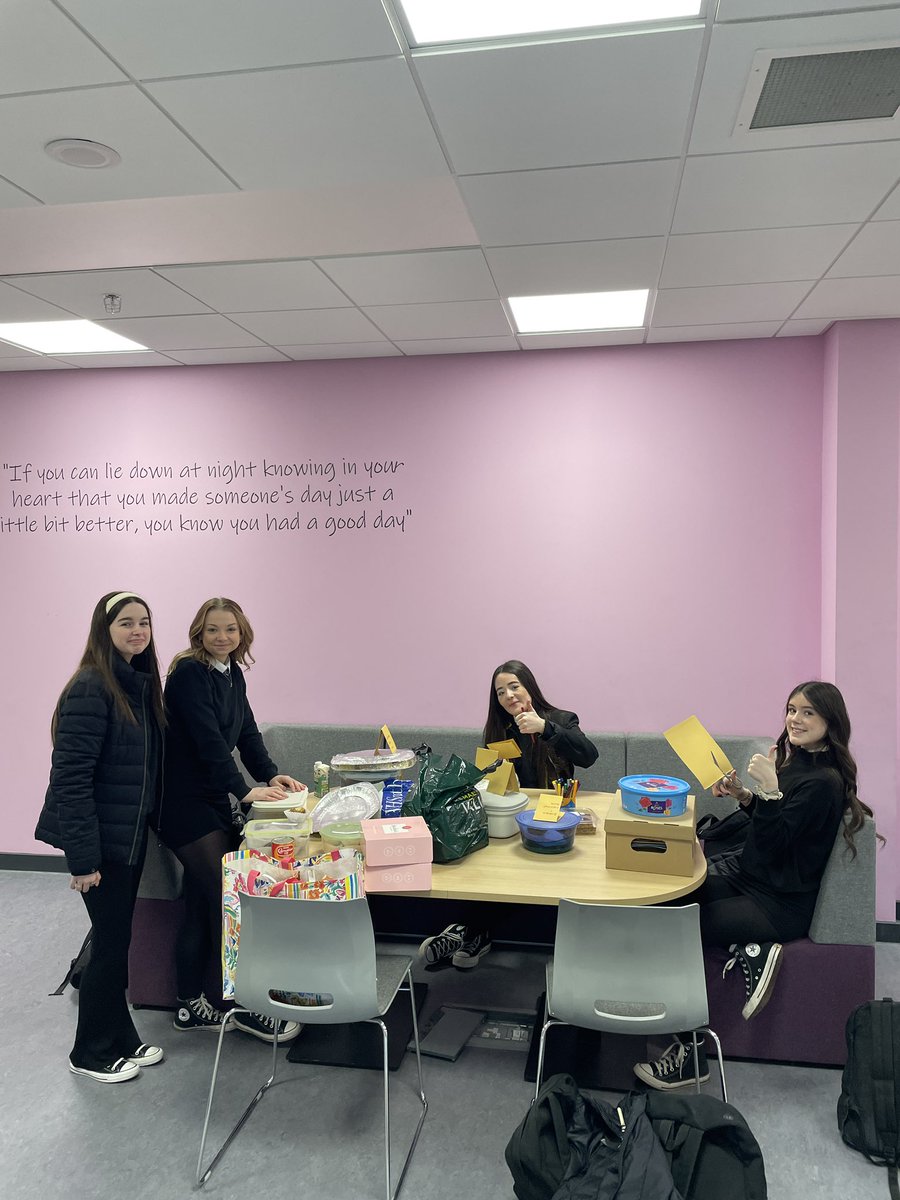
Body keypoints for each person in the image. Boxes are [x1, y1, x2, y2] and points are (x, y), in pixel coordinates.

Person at [635, 680, 878, 1090]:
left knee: (675, 931)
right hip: (752, 880)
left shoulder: (823, 783)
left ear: (830, 721)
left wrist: (768, 792)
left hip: (779, 903)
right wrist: (747, 795)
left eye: (808, 713)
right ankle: (744, 954)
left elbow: (776, 846)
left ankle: (690, 1052)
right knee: (663, 905)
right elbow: (770, 831)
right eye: (791, 709)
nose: (795, 719)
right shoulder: (796, 761)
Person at [158, 597, 304, 1043]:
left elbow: (246, 732)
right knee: (229, 900)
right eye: (213, 629)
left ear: (243, 634)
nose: (223, 637)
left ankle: (189, 1004)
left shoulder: (231, 674)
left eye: (231, 630)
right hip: (181, 802)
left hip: (210, 799)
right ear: (198, 632)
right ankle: (245, 1006)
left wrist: (267, 773)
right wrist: (243, 790)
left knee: (206, 902)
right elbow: (207, 741)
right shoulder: (187, 674)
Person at [35, 592, 166, 1083]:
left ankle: (122, 1036)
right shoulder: (92, 687)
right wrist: (83, 861)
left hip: (126, 837)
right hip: (100, 842)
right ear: (103, 630)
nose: (137, 631)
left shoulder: (137, 683)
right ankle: (88, 1051)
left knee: (117, 940)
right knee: (110, 944)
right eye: (125, 623)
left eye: (144, 623)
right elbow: (71, 778)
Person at [419, 660, 599, 972]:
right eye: (500, 691)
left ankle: (466, 931)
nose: (508, 695)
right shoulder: (499, 730)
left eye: (514, 686)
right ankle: (473, 935)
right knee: (484, 865)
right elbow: (494, 780)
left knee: (520, 869)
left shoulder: (560, 719)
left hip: (553, 819)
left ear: (529, 686)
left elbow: (589, 755)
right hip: (508, 817)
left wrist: (546, 729)